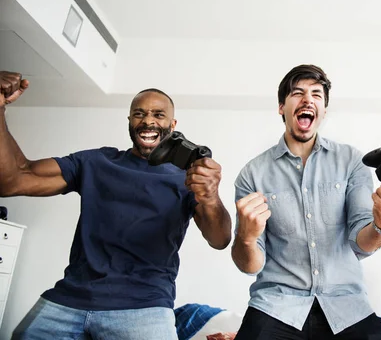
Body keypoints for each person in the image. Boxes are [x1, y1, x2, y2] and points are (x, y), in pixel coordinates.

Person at [0, 72, 232, 340]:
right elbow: (14, 180)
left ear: (172, 123)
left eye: (158, 114)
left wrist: (211, 195)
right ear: (130, 121)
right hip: (70, 298)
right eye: (139, 113)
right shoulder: (97, 162)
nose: (148, 120)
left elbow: (220, 239)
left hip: (145, 307)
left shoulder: (188, 178)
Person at [231, 64, 381, 340]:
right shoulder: (252, 174)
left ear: (324, 111)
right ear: (281, 107)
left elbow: (360, 243)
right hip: (276, 305)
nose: (307, 100)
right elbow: (250, 266)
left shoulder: (352, 162)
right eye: (298, 93)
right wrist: (245, 237)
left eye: (316, 95)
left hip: (346, 305)